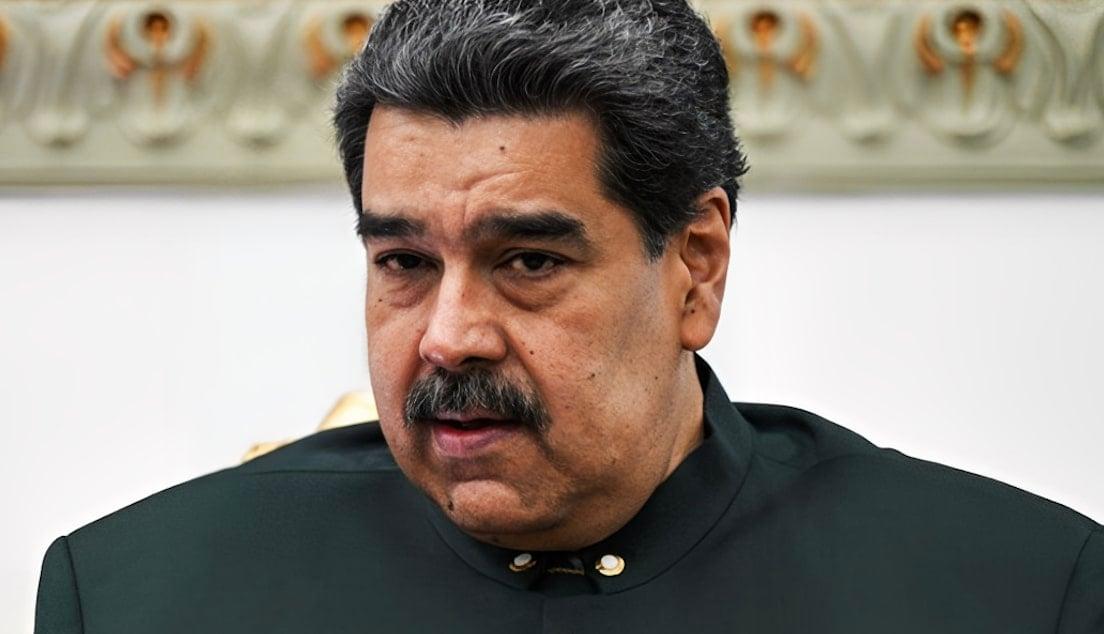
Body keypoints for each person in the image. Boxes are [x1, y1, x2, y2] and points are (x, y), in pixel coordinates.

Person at [34, 1, 1103, 632]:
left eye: (530, 261)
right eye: (404, 262)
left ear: (696, 267)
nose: (448, 334)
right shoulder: (137, 597)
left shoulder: (1017, 592)